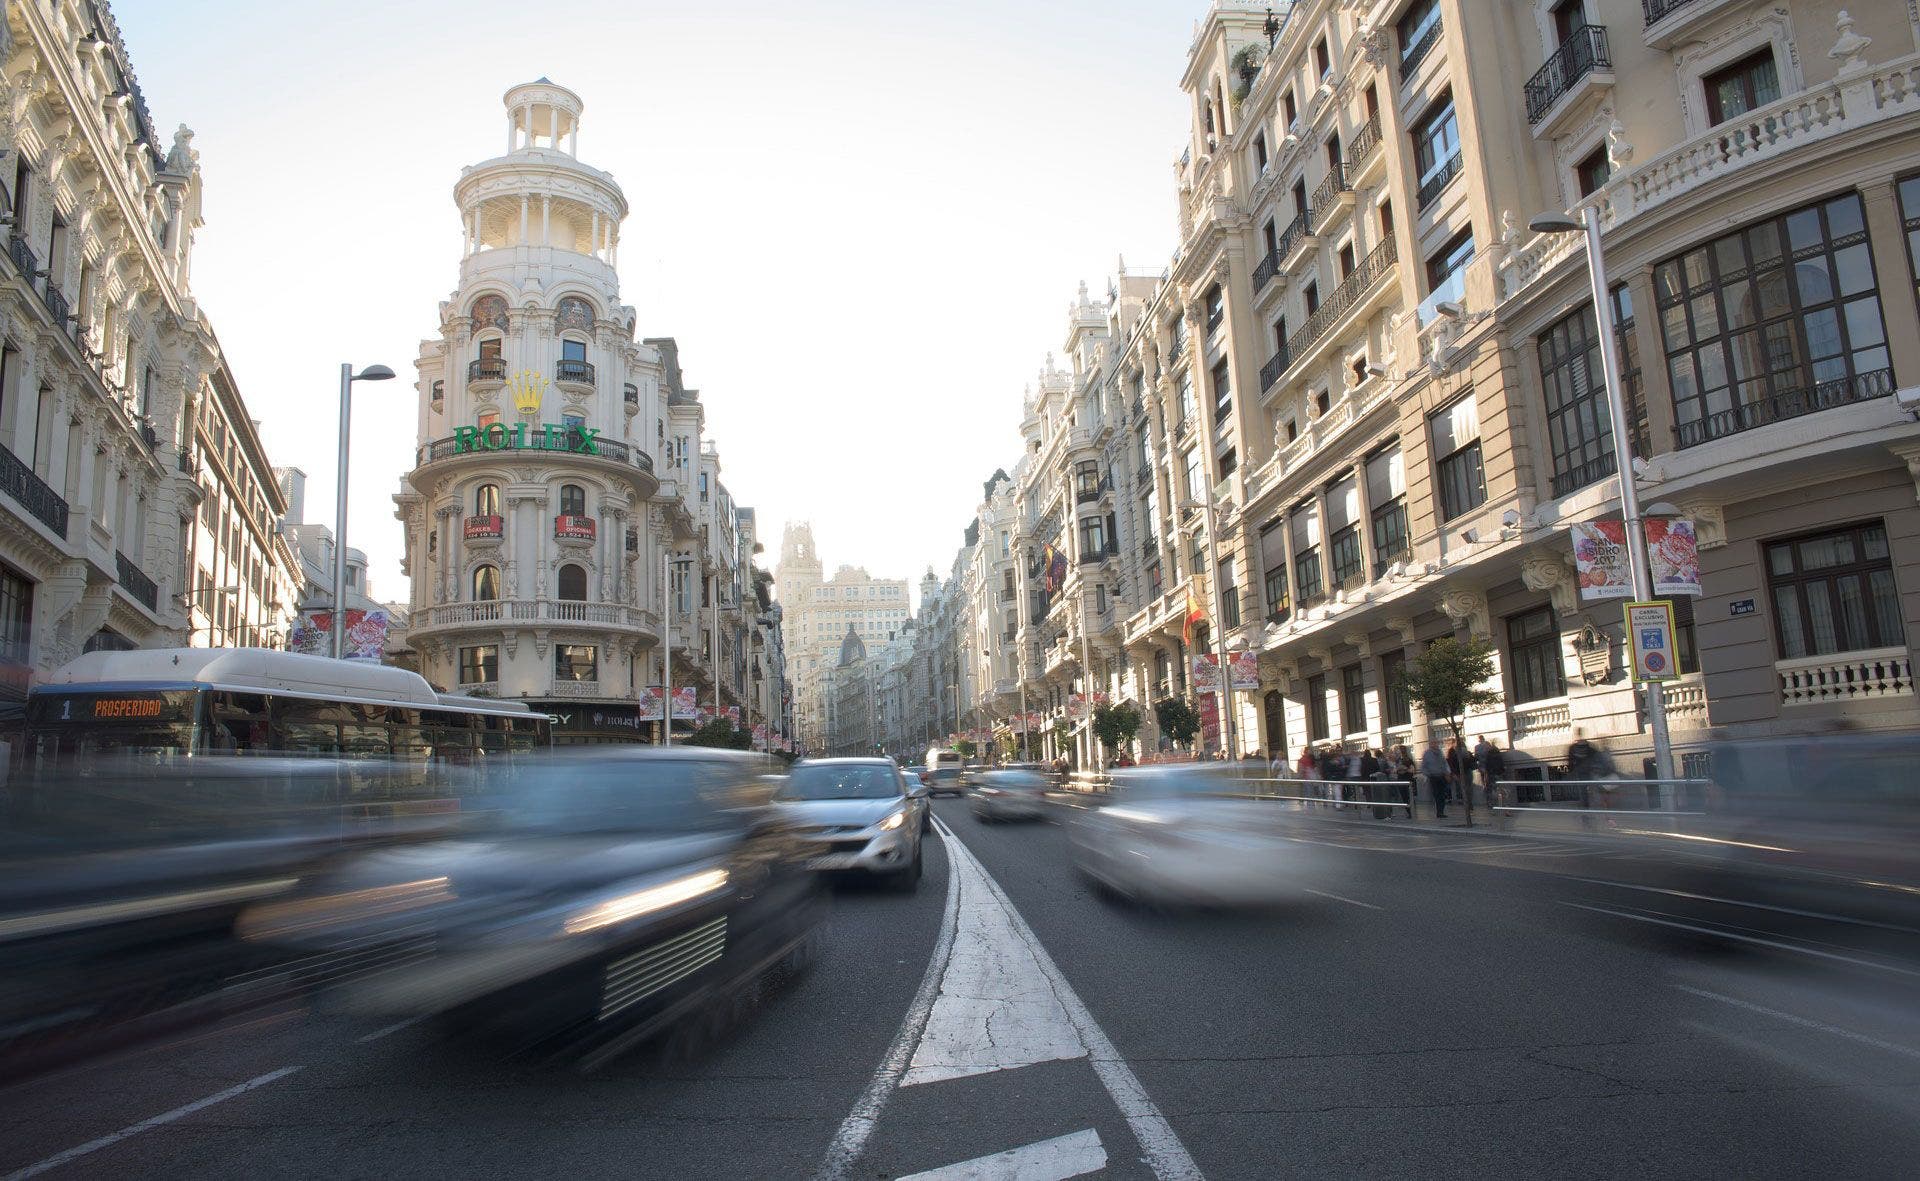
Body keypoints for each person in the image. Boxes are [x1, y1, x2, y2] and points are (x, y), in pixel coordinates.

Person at [1421, 740, 1450, 819]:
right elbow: (1423, 767)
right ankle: (1439, 812)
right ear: (1430, 744)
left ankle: (1441, 811)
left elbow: (1444, 763)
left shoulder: (1440, 752)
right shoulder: (1427, 754)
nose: (1435, 744)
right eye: (1433, 743)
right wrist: (1429, 774)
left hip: (1442, 776)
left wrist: (1447, 773)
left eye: (1436, 743)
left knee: (1443, 794)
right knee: (1437, 794)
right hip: (1433, 777)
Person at [1478, 738, 1506, 809]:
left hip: (1491, 774)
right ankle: (1502, 804)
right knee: (1500, 788)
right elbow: (1502, 764)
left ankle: (1491, 804)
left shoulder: (1488, 755)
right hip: (1499, 773)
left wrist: (1486, 773)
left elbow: (1487, 765)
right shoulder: (1498, 754)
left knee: (1490, 790)